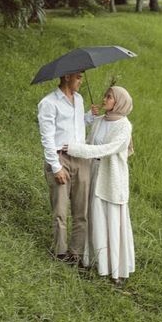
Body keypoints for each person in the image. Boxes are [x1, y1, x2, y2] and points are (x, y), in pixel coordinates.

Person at [61, 85, 135, 284]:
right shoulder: (99, 121)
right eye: (105, 96)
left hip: (111, 178)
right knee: (92, 215)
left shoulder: (124, 126)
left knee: (109, 217)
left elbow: (108, 148)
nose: (105, 99)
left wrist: (77, 150)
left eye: (109, 97)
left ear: (119, 101)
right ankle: (90, 259)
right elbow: (89, 143)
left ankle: (115, 269)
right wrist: (73, 145)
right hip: (93, 173)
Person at [37, 70, 96, 264]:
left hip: (81, 158)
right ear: (66, 76)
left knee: (81, 211)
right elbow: (47, 138)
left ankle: (75, 253)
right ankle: (60, 252)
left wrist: (89, 116)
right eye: (78, 77)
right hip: (60, 159)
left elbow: (77, 126)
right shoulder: (49, 103)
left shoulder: (78, 100)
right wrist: (55, 167)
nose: (80, 80)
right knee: (60, 211)